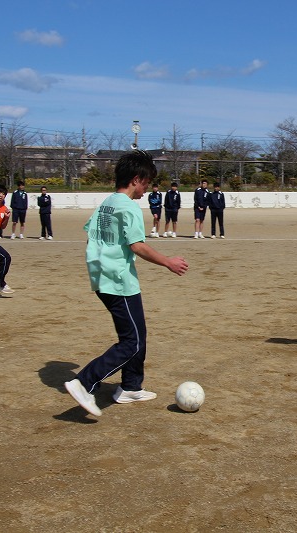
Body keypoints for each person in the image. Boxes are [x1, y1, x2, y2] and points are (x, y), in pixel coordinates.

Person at [64, 151, 189, 417]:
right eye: (146, 183)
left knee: (137, 334)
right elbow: (137, 245)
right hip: (119, 281)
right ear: (136, 179)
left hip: (102, 278)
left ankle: (131, 386)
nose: (147, 189)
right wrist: (168, 262)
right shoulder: (129, 207)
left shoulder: (107, 203)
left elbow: (91, 237)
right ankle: (85, 382)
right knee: (131, 342)